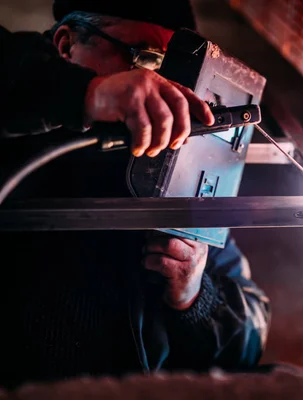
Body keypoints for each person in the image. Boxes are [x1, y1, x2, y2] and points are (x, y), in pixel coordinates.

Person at [0, 0, 270, 389]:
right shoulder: (17, 123)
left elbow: (248, 341)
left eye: (176, 71)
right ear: (65, 46)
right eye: (147, 59)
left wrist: (195, 296)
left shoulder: (175, 177)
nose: (164, 88)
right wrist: (84, 94)